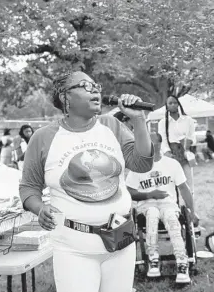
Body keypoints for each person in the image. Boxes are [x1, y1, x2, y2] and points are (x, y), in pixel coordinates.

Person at [19, 71, 153, 292]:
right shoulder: (43, 138)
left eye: (96, 86)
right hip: (74, 249)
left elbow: (142, 164)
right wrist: (39, 207)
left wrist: (138, 120)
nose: (95, 90)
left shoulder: (111, 125)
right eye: (85, 86)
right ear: (65, 97)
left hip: (121, 242)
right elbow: (29, 187)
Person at [126, 133, 198, 284]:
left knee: (172, 219)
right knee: (152, 214)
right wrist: (150, 194)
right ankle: (153, 259)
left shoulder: (171, 164)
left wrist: (192, 211)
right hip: (147, 205)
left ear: (159, 145)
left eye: (152, 143)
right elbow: (130, 192)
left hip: (168, 204)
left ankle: (182, 262)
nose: (148, 147)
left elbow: (184, 188)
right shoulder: (138, 167)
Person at [158, 95, 196, 194]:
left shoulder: (188, 120)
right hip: (171, 153)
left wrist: (189, 144)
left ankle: (188, 206)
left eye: (175, 102)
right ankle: (175, 206)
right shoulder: (163, 123)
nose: (173, 105)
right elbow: (163, 140)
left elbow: (192, 136)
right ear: (166, 106)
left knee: (188, 181)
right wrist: (167, 153)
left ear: (178, 104)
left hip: (185, 152)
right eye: (170, 103)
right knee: (172, 183)